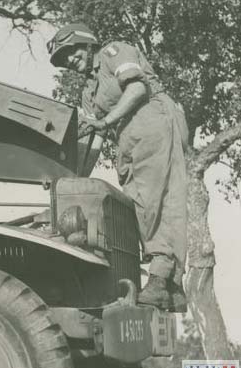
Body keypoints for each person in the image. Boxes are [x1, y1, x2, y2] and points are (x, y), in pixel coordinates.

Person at [47, 23, 188, 312]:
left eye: (71, 53)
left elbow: (137, 89)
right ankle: (171, 285)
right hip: (126, 136)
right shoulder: (88, 91)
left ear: (87, 44)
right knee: (138, 202)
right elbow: (95, 137)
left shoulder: (114, 51)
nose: (70, 62)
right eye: (64, 61)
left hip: (150, 117)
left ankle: (161, 278)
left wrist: (106, 121)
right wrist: (73, 179)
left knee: (153, 199)